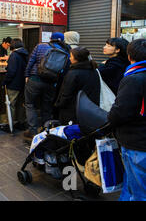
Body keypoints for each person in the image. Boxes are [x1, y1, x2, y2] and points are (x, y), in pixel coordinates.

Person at [107, 39, 146, 201]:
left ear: (130, 56)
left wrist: (109, 120)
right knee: (132, 183)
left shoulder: (134, 78)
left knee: (138, 189)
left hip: (136, 141)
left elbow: (120, 112)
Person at [24, 32, 70, 140]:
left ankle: (32, 131)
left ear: (50, 38)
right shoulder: (66, 51)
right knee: (47, 107)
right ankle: (46, 130)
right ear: (62, 41)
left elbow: (31, 62)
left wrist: (26, 75)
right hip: (51, 82)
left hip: (35, 79)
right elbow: (65, 70)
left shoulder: (40, 46)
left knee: (30, 104)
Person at [55, 47, 100, 125]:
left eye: (71, 56)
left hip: (72, 110)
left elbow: (66, 93)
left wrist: (59, 104)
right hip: (89, 109)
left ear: (77, 58)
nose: (69, 58)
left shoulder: (73, 73)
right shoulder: (93, 71)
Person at [1, 38, 29, 131]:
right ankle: (21, 123)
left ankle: (10, 125)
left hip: (13, 84)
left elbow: (11, 72)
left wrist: (5, 82)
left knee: (10, 105)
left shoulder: (14, 55)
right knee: (21, 105)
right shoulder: (26, 54)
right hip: (23, 84)